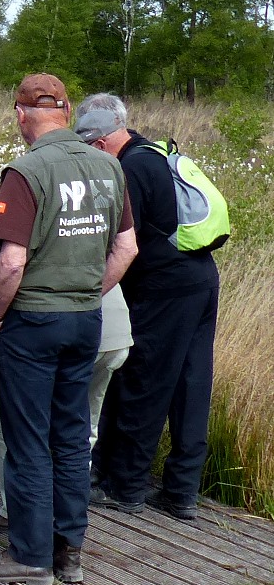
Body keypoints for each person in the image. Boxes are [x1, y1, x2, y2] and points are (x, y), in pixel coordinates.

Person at [0, 75, 136, 585]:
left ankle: (31, 554)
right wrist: (88, 293)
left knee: (26, 437)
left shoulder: (25, 172)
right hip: (85, 318)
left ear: (22, 114)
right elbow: (127, 247)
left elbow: (11, 263)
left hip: (31, 321)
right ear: (66, 112)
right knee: (69, 435)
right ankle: (70, 551)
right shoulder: (110, 166)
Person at [78, 93, 219, 522]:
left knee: (143, 381)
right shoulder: (155, 152)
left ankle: (126, 486)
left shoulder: (130, 168)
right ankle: (181, 492)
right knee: (191, 385)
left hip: (165, 289)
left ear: (100, 142)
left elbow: (122, 243)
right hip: (201, 279)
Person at [0, 159, 132, 533]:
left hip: (58, 327)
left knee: (16, 423)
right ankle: (68, 524)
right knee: (81, 430)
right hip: (109, 329)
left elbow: (1, 262)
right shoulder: (81, 212)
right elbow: (126, 248)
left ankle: (21, 515)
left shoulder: (16, 213)